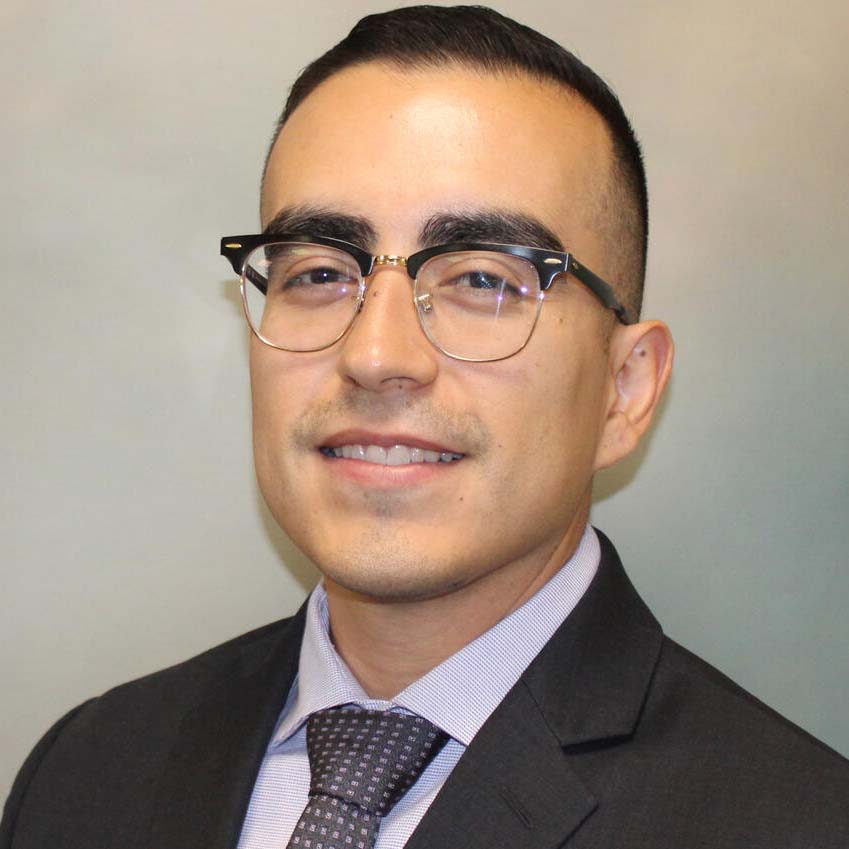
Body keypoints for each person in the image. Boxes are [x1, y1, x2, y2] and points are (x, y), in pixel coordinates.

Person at [2, 6, 847, 848]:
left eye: (483, 279)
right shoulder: (85, 773)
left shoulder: (796, 822)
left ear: (623, 389)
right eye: (320, 272)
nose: (375, 354)